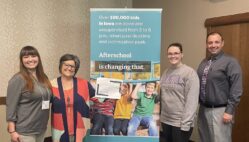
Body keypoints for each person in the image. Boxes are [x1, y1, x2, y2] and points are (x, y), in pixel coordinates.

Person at [197, 32, 243, 142]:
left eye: (217, 42)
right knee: (205, 139)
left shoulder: (231, 62)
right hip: (203, 109)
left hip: (221, 110)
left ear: (222, 43)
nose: (213, 45)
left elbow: (236, 88)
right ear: (207, 44)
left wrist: (229, 111)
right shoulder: (204, 62)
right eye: (210, 42)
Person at [6, 46, 52, 142]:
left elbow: (48, 98)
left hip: (41, 128)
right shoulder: (18, 79)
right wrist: (12, 131)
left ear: (38, 58)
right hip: (25, 130)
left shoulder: (43, 77)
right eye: (26, 57)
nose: (30, 59)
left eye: (33, 56)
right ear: (22, 60)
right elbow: (11, 107)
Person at [160, 43, 200, 142]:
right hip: (166, 120)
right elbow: (162, 95)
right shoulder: (166, 72)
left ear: (182, 54)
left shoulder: (189, 73)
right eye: (170, 54)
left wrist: (186, 123)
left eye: (176, 53)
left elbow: (192, 100)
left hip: (180, 122)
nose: (173, 56)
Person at [51, 54, 95, 142]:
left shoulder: (85, 84)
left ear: (76, 69)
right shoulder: (51, 85)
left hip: (81, 129)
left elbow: (96, 100)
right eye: (66, 65)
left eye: (72, 66)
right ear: (61, 66)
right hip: (60, 130)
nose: (69, 68)